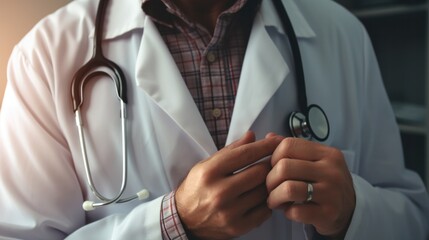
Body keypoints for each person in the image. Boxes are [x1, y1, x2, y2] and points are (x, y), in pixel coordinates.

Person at [0, 0, 428, 239]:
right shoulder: (45, 56)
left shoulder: (342, 34)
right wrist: (170, 225)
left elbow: (412, 219)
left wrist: (353, 211)